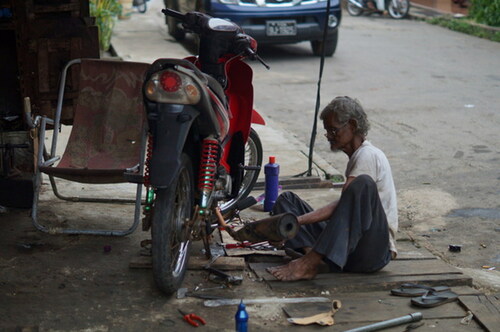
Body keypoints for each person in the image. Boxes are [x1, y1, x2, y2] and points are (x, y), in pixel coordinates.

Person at [267, 96, 398, 281]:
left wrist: (297, 222)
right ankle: (313, 255)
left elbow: (341, 208)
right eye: (327, 131)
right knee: (286, 200)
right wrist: (287, 226)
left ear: (352, 126)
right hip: (349, 246)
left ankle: (309, 263)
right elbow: (345, 212)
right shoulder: (358, 156)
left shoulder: (368, 156)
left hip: (372, 253)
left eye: (333, 130)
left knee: (363, 185)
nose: (329, 136)